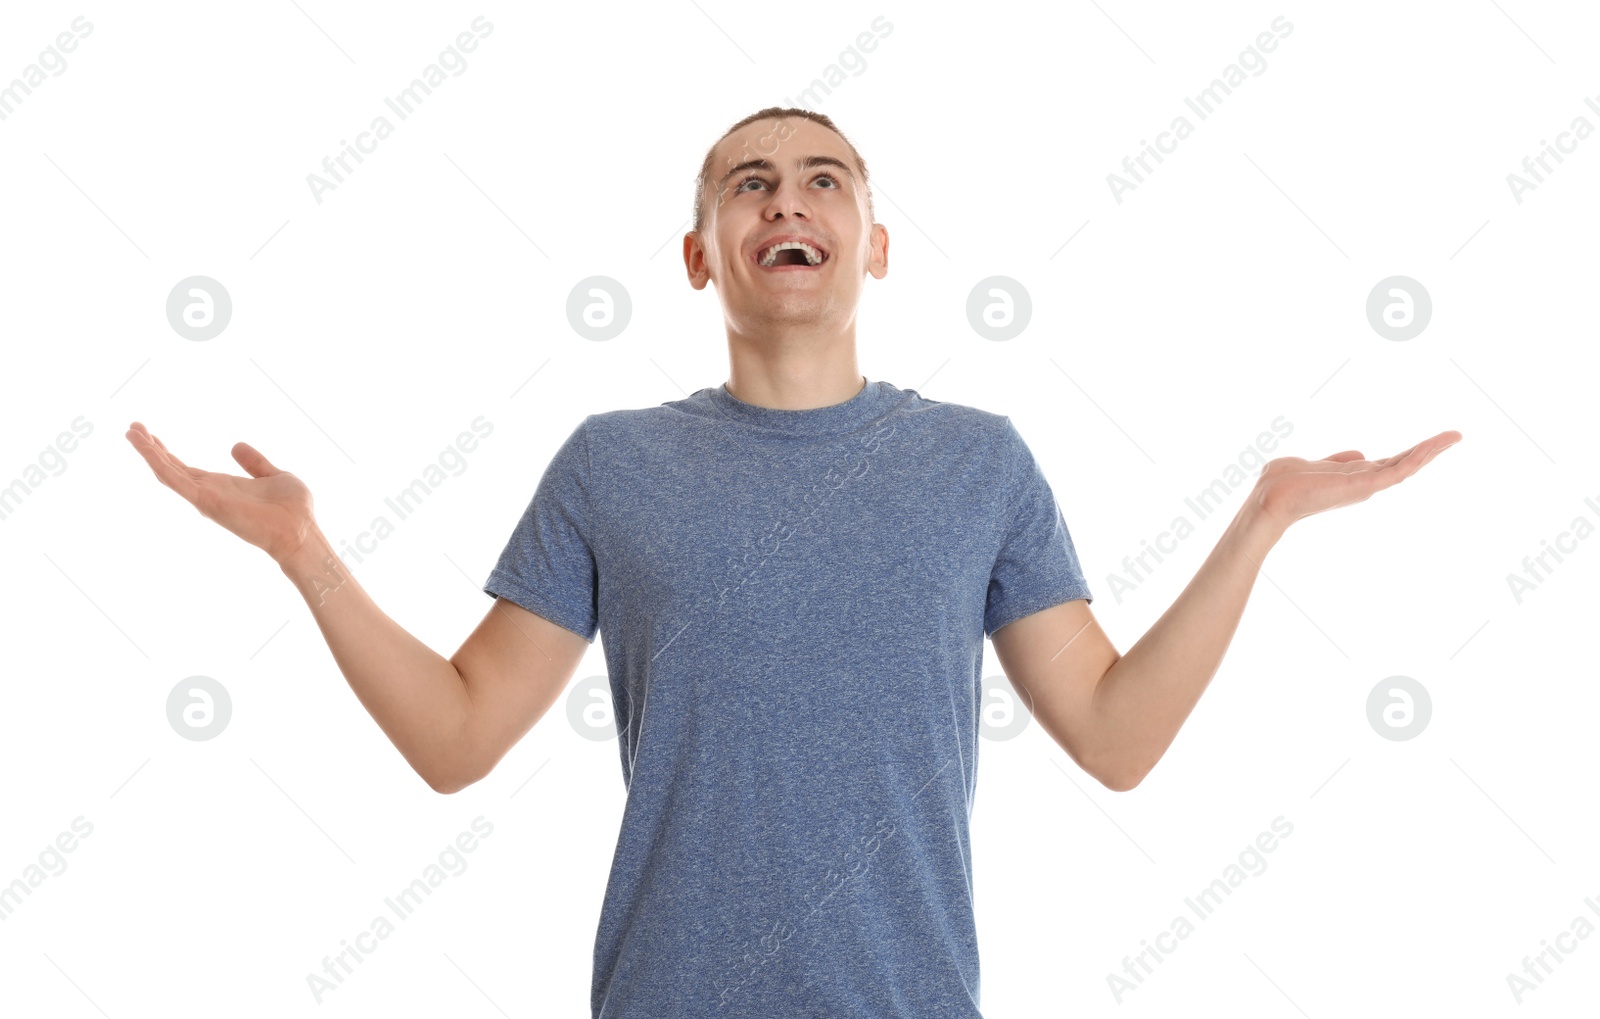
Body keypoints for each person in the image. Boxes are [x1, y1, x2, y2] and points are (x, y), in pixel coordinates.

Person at [125, 107, 1460, 1018]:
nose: (788, 198)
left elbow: (1115, 736)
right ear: (704, 256)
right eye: (750, 184)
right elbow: (458, 738)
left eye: (824, 179)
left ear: (871, 249)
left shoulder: (980, 463)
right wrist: (306, 554)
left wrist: (1260, 525)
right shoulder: (611, 465)